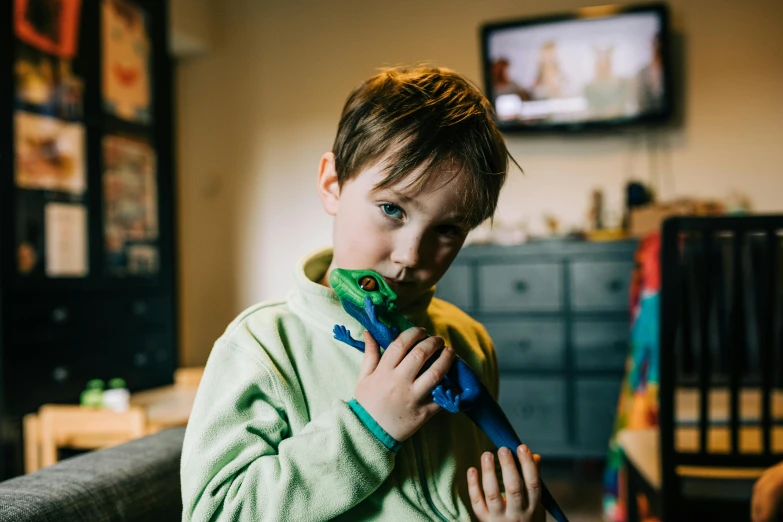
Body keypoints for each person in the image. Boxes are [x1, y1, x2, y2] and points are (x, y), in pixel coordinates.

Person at [180, 65, 544, 521]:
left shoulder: (469, 340)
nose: (411, 255)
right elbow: (214, 515)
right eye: (392, 208)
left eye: (448, 229)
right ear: (332, 184)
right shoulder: (260, 348)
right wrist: (366, 428)